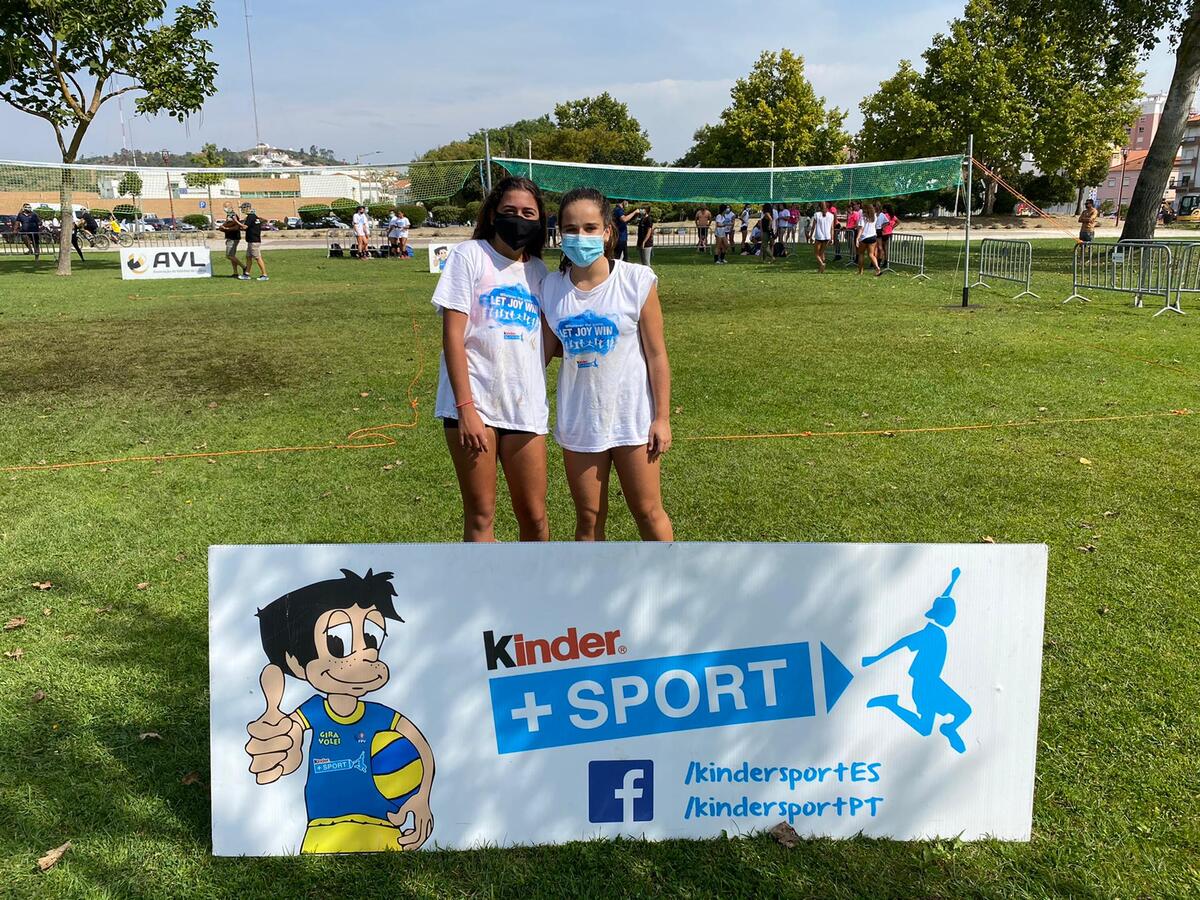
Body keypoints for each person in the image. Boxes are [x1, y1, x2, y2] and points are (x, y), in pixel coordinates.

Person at [542, 186, 672, 542]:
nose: (580, 236)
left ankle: (669, 575)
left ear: (606, 232)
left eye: (589, 228)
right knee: (588, 518)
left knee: (648, 512)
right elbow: (546, 351)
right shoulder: (550, 287)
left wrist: (661, 418)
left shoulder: (636, 280)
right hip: (580, 420)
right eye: (571, 229)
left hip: (633, 420)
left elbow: (657, 355)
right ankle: (592, 580)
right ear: (560, 233)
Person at [432, 175, 550, 543]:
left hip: (524, 407)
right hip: (474, 407)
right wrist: (466, 408)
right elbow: (453, 336)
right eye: (509, 211)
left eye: (528, 213)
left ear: (540, 220)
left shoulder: (539, 271)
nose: (519, 219)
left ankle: (535, 579)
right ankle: (481, 581)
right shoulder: (469, 256)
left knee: (535, 517)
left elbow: (545, 342)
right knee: (481, 515)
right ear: (493, 215)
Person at [240, 202, 268, 281]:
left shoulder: (251, 216)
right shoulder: (254, 216)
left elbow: (245, 227)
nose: (242, 210)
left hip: (254, 241)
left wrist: (236, 221)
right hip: (251, 241)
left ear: (247, 208)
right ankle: (246, 274)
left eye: (243, 208)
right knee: (248, 257)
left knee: (257, 257)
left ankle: (264, 275)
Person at [219, 209, 246, 278]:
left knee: (229, 255)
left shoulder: (234, 217)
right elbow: (223, 228)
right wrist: (223, 228)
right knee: (232, 256)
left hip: (233, 239)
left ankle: (244, 267)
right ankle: (235, 273)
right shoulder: (228, 219)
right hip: (230, 238)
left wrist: (226, 229)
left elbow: (236, 228)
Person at [858, 202, 882, 276]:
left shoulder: (863, 217)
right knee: (871, 254)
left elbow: (861, 228)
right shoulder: (875, 217)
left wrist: (857, 237)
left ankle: (860, 272)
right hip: (873, 236)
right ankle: (877, 268)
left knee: (861, 254)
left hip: (864, 237)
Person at [810, 201, 834, 273]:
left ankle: (822, 264)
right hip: (827, 237)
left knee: (816, 254)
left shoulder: (817, 214)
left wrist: (810, 236)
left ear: (820, 207)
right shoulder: (831, 215)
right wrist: (832, 238)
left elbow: (813, 227)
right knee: (822, 253)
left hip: (819, 236)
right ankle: (820, 269)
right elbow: (832, 228)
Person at [877, 204, 897, 269]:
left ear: (885, 209)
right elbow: (898, 222)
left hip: (884, 233)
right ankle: (885, 261)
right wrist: (892, 227)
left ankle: (882, 262)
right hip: (888, 233)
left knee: (881, 248)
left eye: (883, 209)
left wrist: (891, 227)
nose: (882, 210)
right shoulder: (892, 215)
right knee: (885, 248)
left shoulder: (883, 215)